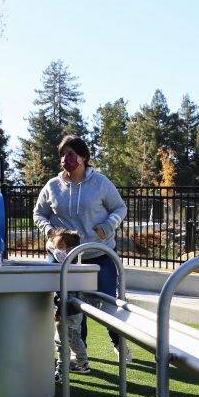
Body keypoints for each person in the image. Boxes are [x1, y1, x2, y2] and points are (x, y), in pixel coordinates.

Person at [33, 135, 129, 361]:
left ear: (84, 157)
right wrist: (49, 231)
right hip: (63, 258)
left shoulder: (101, 183)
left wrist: (108, 224)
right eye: (63, 155)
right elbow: (39, 213)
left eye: (71, 154)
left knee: (107, 303)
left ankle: (119, 343)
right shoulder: (53, 186)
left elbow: (120, 208)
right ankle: (79, 351)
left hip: (99, 255)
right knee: (69, 305)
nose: (67, 159)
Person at [49, 229, 90, 380]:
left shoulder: (69, 269)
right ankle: (82, 363)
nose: (56, 251)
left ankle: (62, 370)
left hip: (69, 311)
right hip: (72, 311)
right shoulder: (71, 266)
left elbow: (66, 295)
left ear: (70, 250)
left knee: (63, 341)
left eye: (60, 247)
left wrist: (59, 311)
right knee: (73, 338)